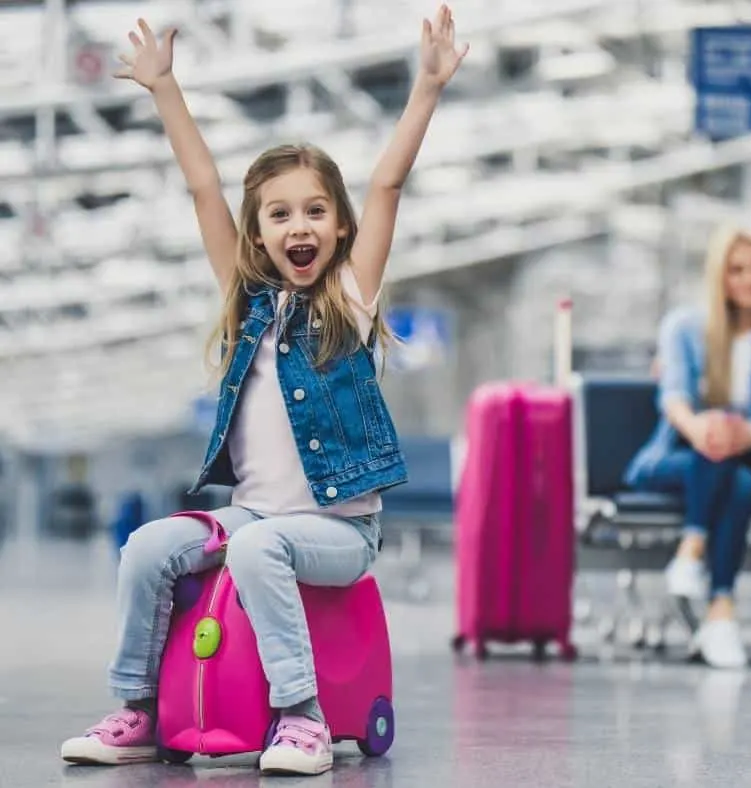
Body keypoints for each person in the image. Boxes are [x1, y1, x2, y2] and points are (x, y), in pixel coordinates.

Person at [61, 7, 468, 775]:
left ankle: (302, 717)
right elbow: (204, 190)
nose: (298, 226)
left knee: (257, 544)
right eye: (279, 215)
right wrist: (164, 91)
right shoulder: (250, 308)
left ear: (340, 230)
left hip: (341, 529)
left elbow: (387, 184)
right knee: (148, 549)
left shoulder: (348, 304)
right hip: (254, 514)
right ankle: (138, 710)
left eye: (316, 211)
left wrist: (427, 88)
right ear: (258, 238)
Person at [624, 226, 751, 669]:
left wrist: (738, 434)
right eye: (737, 269)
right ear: (720, 275)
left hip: (748, 457)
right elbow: (673, 397)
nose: (750, 278)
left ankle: (691, 556)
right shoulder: (684, 328)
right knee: (726, 465)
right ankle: (720, 610)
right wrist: (701, 427)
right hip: (675, 459)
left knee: (739, 475)